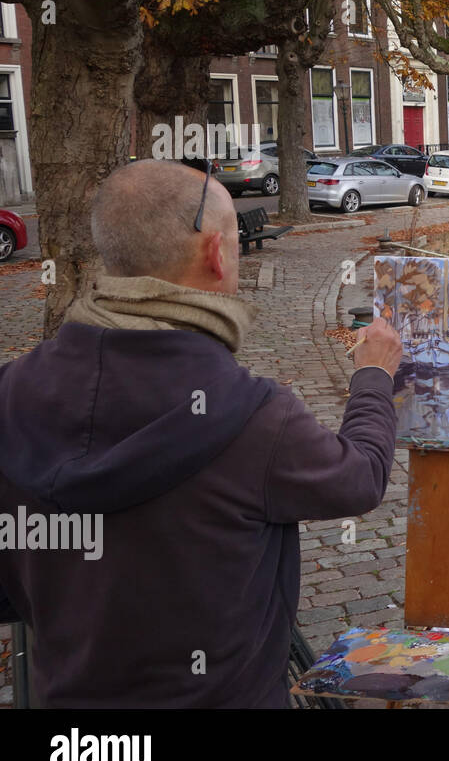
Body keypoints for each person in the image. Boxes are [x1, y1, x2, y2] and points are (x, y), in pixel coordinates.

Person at [0, 159, 402, 707]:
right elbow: (360, 478)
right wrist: (373, 376)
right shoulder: (256, 416)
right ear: (217, 254)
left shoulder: (12, 390)